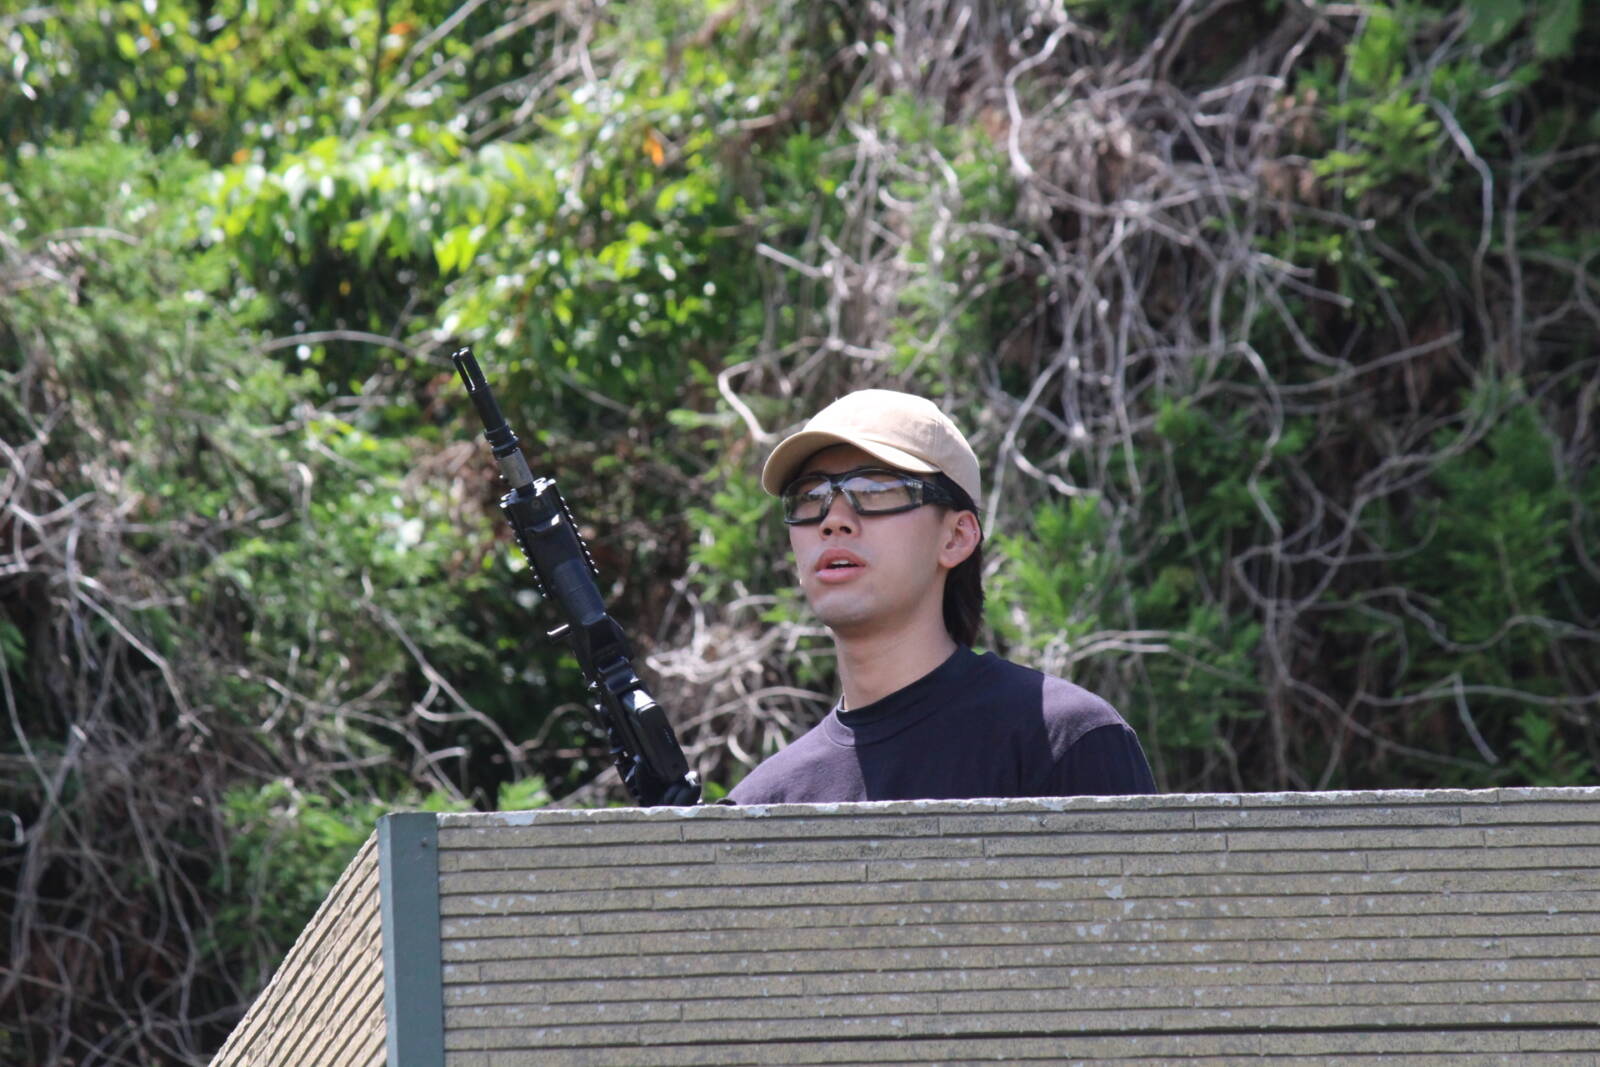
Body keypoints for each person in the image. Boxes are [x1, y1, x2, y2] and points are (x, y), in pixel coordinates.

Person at [727, 389, 1155, 804]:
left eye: (875, 490)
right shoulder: (760, 803)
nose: (833, 520)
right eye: (810, 496)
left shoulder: (1064, 741)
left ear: (956, 537)